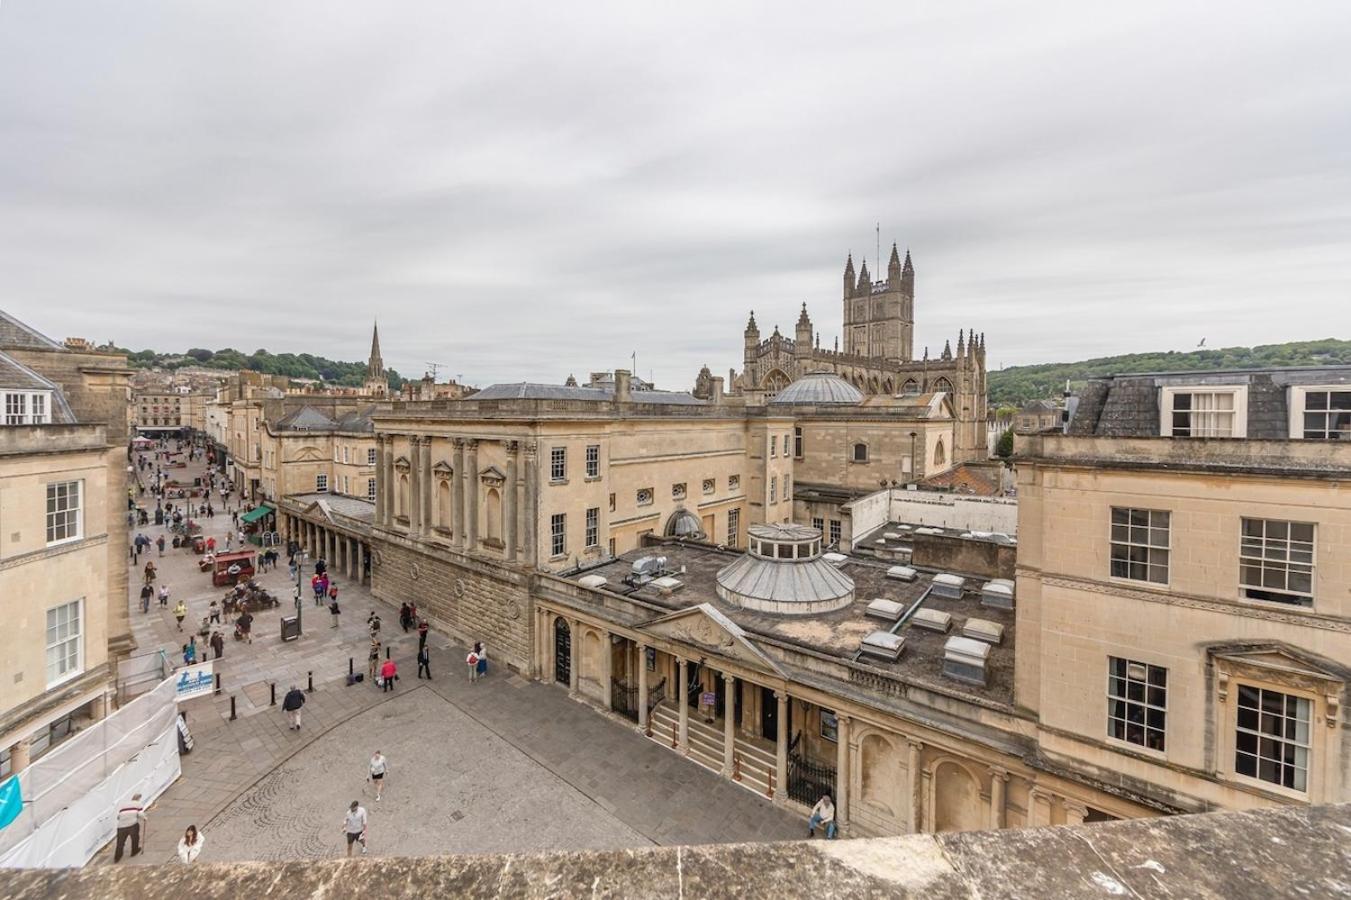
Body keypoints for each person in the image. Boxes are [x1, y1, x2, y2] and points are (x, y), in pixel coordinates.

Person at [114, 793, 147, 862]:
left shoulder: (124, 805)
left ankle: (117, 857)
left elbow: (118, 817)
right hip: (132, 824)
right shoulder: (138, 804)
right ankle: (134, 851)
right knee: (135, 838)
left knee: (120, 842)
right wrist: (145, 818)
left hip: (121, 826)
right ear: (138, 799)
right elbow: (140, 814)